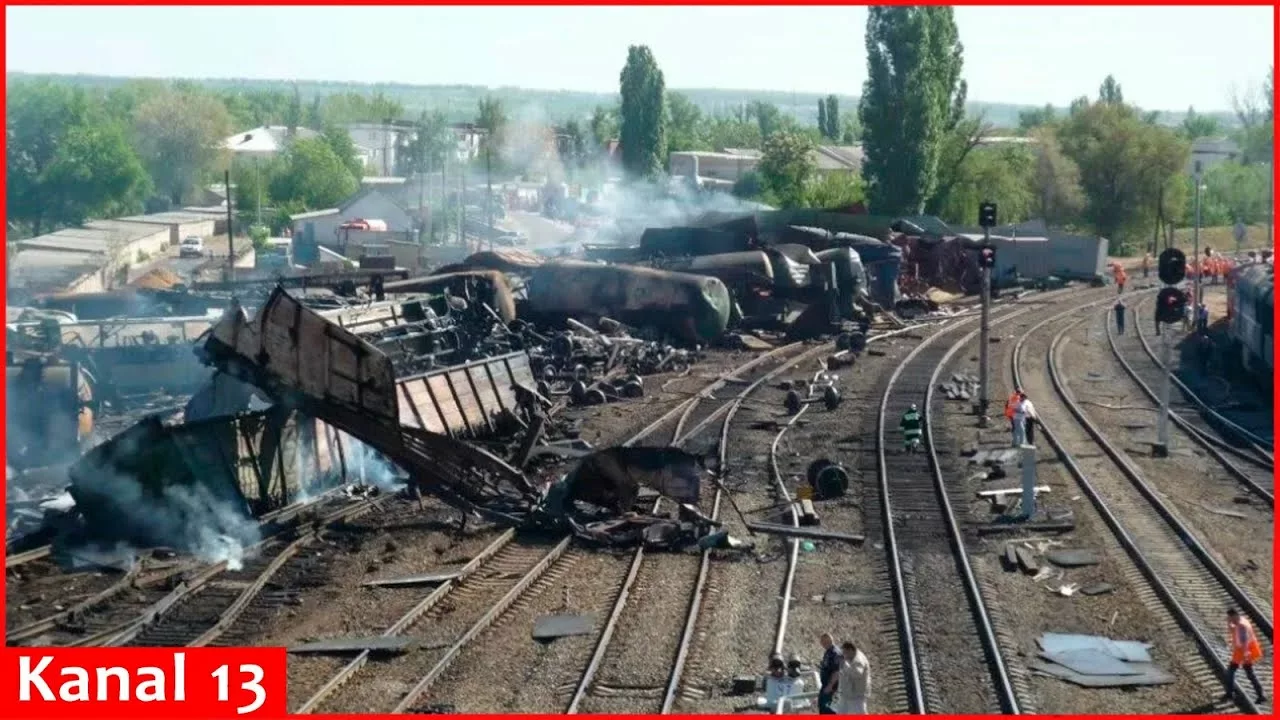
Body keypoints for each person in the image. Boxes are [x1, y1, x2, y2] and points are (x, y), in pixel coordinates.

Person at [1224, 608, 1266, 704]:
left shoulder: (1241, 626)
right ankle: (1230, 693)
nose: (1231, 621)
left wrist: (1246, 653)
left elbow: (1244, 641)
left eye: (1231, 618)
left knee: (1247, 673)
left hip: (1245, 651)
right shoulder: (1241, 620)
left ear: (1234, 616)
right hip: (1243, 650)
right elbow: (1233, 629)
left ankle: (1260, 696)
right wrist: (1229, 623)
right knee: (1234, 672)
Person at [833, 641, 870, 714]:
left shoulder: (859, 660)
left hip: (856, 694)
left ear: (850, 650)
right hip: (846, 694)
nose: (844, 655)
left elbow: (857, 673)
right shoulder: (850, 659)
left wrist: (845, 665)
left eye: (845, 653)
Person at [817, 633, 841, 714]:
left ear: (828, 641)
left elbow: (837, 671)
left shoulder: (835, 653)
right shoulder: (828, 652)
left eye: (823, 642)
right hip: (826, 685)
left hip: (831, 687)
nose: (822, 644)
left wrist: (830, 686)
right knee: (822, 706)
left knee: (827, 708)